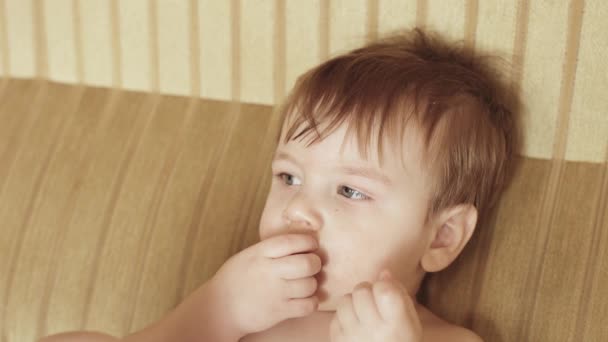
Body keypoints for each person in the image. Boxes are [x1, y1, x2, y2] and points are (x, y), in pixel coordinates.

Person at [40, 27, 519, 342]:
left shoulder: (442, 339)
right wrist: (216, 311)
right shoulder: (247, 306)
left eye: (350, 190)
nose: (298, 210)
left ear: (442, 237)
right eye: (289, 177)